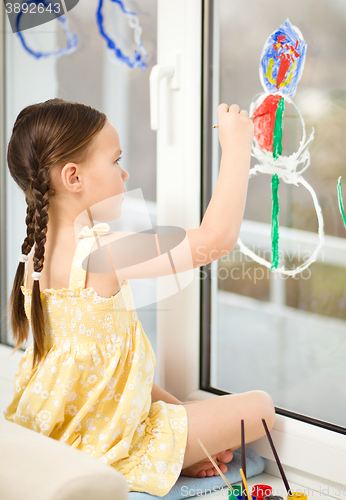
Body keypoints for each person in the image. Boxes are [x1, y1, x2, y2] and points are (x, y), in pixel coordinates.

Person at [4, 98, 275, 495]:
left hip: (60, 439)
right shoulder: (102, 252)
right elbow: (216, 240)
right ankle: (170, 451)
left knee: (199, 415)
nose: (125, 172)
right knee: (261, 408)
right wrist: (237, 149)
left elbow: (107, 369)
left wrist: (187, 424)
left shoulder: (35, 261)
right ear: (73, 178)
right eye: (116, 160)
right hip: (108, 443)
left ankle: (184, 444)